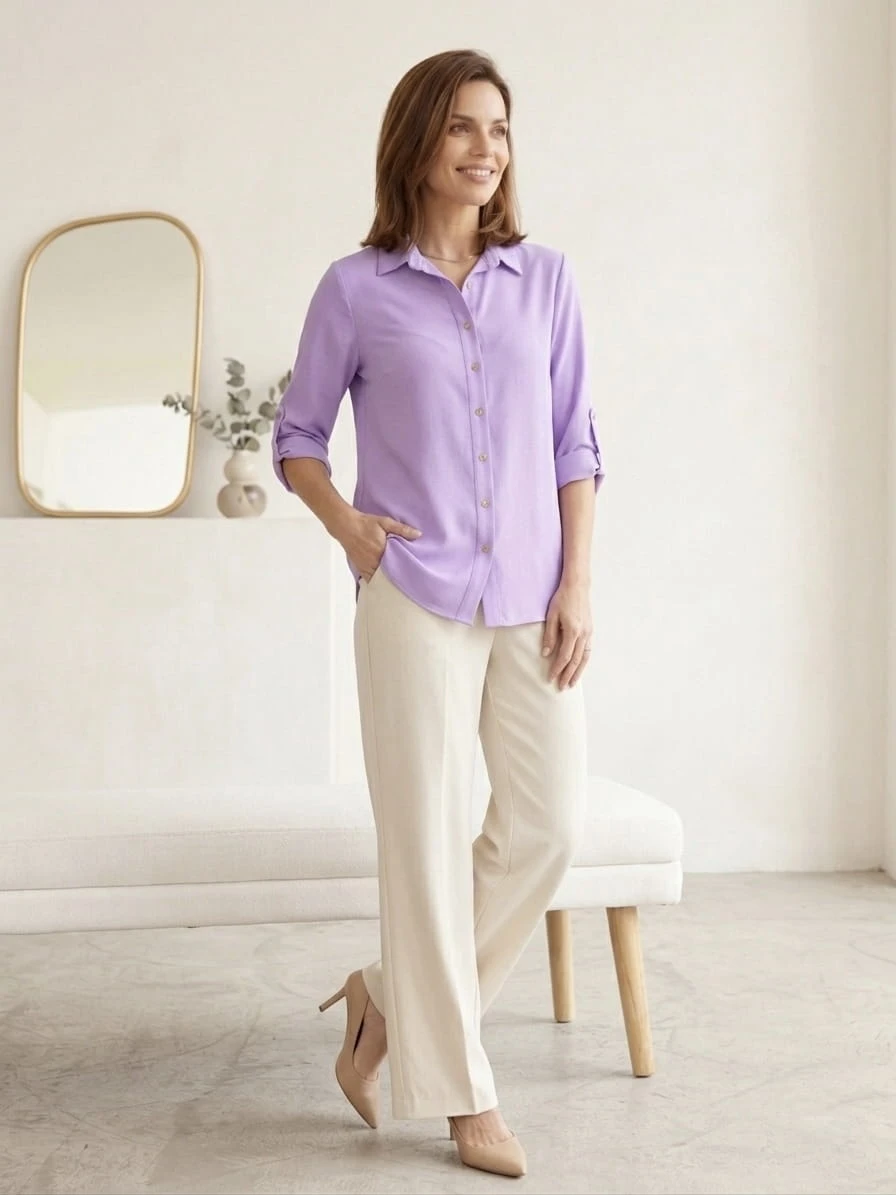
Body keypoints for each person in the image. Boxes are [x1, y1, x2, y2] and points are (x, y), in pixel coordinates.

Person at [271, 48, 605, 1180]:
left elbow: (575, 443)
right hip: (412, 595)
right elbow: (298, 437)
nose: (484, 149)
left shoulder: (545, 280)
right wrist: (348, 529)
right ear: (416, 141)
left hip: (530, 598)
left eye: (498, 129)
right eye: (462, 126)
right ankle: (464, 1095)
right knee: (420, 843)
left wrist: (577, 582)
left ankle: (384, 1000)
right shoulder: (355, 289)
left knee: (546, 826)